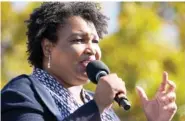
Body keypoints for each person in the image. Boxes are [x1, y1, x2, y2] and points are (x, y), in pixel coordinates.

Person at [1, 2, 177, 121]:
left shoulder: (99, 104)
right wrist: (96, 107)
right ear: (48, 47)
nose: (92, 49)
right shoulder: (21, 94)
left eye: (95, 41)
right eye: (78, 40)